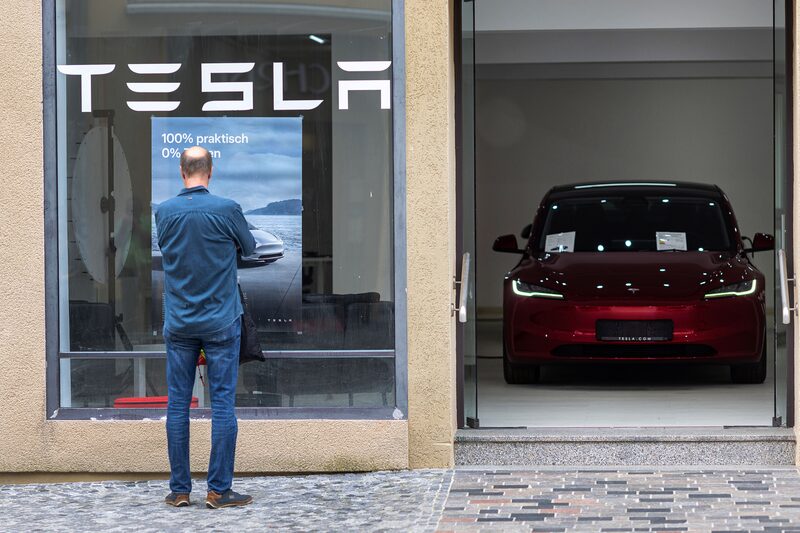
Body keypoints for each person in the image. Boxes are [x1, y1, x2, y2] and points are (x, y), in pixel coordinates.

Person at [155, 146, 256, 509]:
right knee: (223, 406)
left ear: (182, 173)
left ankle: (180, 490)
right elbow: (249, 248)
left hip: (180, 322)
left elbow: (171, 251)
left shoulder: (163, 213)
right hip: (221, 321)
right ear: (209, 173)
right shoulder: (227, 209)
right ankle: (218, 490)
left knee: (178, 406)